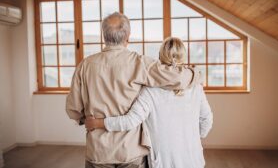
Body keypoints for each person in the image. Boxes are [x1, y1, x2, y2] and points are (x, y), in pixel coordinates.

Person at [65, 12, 202, 168]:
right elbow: (177, 78)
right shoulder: (140, 63)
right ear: (127, 37)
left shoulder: (85, 65)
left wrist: (88, 120)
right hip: (130, 152)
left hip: (98, 152)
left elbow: (73, 110)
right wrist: (196, 73)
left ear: (104, 35)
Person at [85, 37, 213, 168]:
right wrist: (192, 140)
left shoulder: (150, 91)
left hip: (163, 163)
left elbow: (130, 121)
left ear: (160, 57)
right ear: (184, 57)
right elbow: (207, 120)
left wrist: (98, 122)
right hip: (194, 160)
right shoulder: (196, 87)